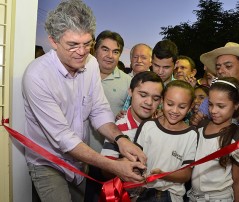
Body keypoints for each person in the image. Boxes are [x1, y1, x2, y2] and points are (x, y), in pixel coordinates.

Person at [22, 1, 146, 202]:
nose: (82, 52)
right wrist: (113, 165)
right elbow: (63, 137)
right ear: (53, 41)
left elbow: (99, 109)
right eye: (72, 45)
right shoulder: (37, 76)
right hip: (48, 162)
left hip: (79, 162)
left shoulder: (91, 63)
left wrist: (121, 140)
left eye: (87, 43)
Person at [84, 71, 164, 202]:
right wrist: (122, 164)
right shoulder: (118, 129)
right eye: (143, 95)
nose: (149, 102)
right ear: (130, 92)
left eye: (156, 99)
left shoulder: (162, 125)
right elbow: (106, 171)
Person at [134, 80, 199, 202]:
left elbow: (186, 174)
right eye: (170, 104)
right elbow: (135, 159)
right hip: (142, 192)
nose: (174, 111)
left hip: (171, 195)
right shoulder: (148, 126)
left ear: (190, 107)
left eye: (182, 107)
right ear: (162, 101)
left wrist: (163, 174)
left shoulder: (191, 135)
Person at [188, 77, 239, 202]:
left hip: (220, 198)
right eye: (210, 104)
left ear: (236, 105)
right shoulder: (201, 126)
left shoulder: (238, 137)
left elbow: (238, 182)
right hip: (193, 196)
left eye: (221, 106)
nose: (213, 111)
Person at [191, 42, 239, 129]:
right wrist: (198, 120)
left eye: (228, 66)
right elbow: (198, 120)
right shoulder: (210, 98)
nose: (220, 71)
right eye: (218, 67)